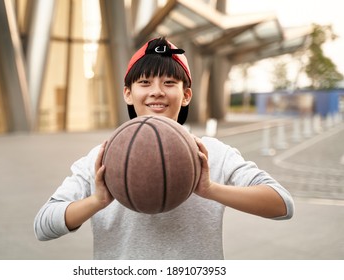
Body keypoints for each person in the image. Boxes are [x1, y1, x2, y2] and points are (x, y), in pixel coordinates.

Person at [34, 37, 294, 259]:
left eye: (169, 83)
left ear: (186, 95)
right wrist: (97, 200)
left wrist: (210, 189)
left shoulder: (212, 152)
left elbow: (282, 204)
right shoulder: (101, 157)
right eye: (145, 83)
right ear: (128, 93)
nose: (156, 92)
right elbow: (43, 225)